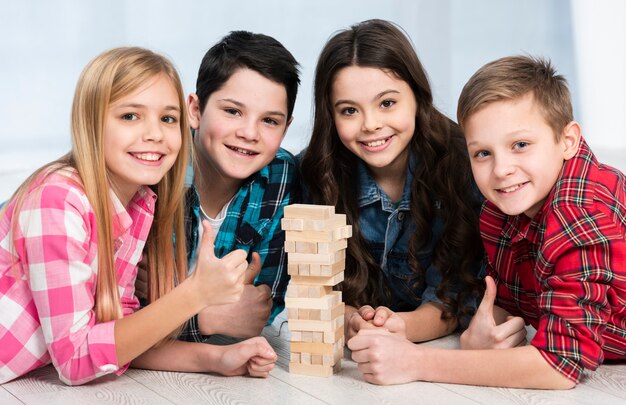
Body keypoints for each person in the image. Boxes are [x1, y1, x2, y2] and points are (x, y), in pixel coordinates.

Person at [0, 47, 276, 386]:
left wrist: (216, 358)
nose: (155, 134)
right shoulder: (57, 200)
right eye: (130, 116)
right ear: (91, 122)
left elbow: (118, 338)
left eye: (167, 119)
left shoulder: (138, 203)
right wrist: (195, 294)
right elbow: (76, 360)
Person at [349, 55, 626, 388]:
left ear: (568, 141)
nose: (501, 169)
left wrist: (415, 362)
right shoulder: (501, 210)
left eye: (520, 145)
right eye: (483, 153)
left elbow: (558, 365)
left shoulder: (582, 215)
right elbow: (513, 303)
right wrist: (485, 326)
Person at [299, 20, 483, 354]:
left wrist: (400, 328)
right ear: (331, 114)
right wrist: (351, 319)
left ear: (417, 95)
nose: (371, 124)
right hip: (358, 356)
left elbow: (457, 295)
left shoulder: (465, 165)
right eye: (349, 110)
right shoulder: (317, 171)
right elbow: (309, 288)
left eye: (387, 103)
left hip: (433, 350)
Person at [177, 31, 301, 342]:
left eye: (269, 121)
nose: (249, 133)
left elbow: (256, 308)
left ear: (286, 128)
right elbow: (125, 315)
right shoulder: (157, 167)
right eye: (232, 111)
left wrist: (174, 299)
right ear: (195, 110)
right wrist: (206, 317)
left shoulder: (280, 175)